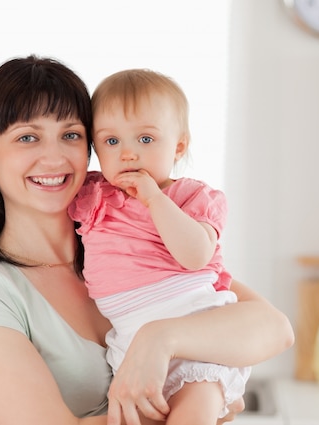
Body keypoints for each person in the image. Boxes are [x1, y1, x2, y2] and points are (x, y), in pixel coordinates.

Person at [0, 55, 294, 425]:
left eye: (71, 135)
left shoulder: (123, 237)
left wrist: (162, 339)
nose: (54, 156)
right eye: (27, 137)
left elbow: (274, 328)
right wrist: (182, 410)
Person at [68, 69, 248, 425]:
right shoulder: (93, 196)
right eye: (112, 142)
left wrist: (154, 200)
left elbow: (196, 256)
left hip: (197, 330)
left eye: (146, 140)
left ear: (179, 146)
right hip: (132, 344)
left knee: (193, 413)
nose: (128, 154)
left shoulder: (190, 197)